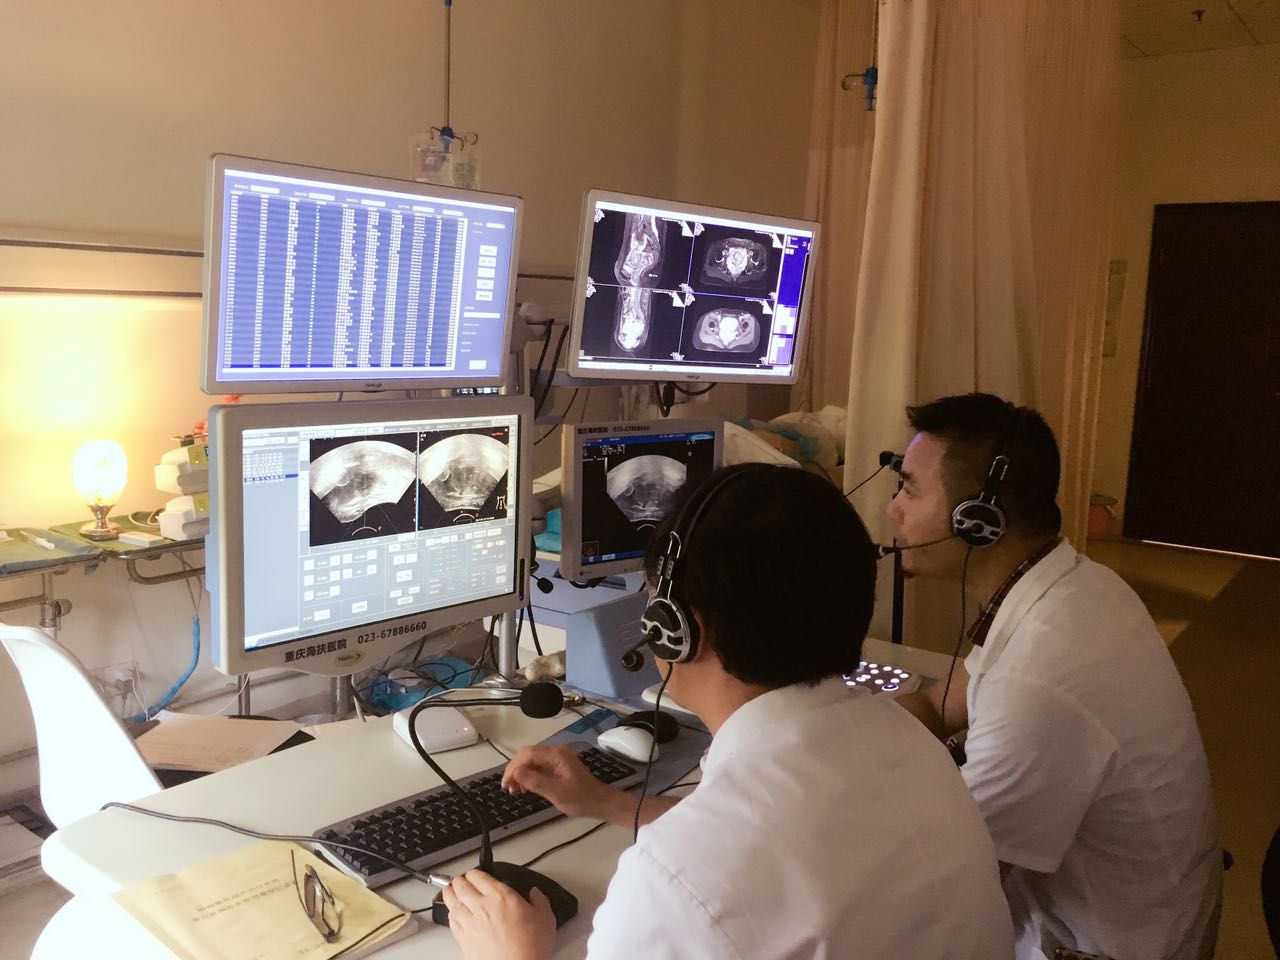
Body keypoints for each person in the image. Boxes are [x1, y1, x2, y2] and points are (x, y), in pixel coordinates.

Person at [442, 463, 1014, 959]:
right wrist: (606, 803)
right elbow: (773, 852)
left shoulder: (673, 879)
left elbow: (719, 866)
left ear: (675, 628)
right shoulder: (909, 742)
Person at [889, 393, 1221, 960]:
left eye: (909, 489)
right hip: (1124, 910)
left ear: (977, 522)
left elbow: (941, 898)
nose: (893, 508)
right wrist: (835, 737)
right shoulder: (1072, 584)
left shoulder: (1040, 681)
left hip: (1103, 946)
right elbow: (940, 706)